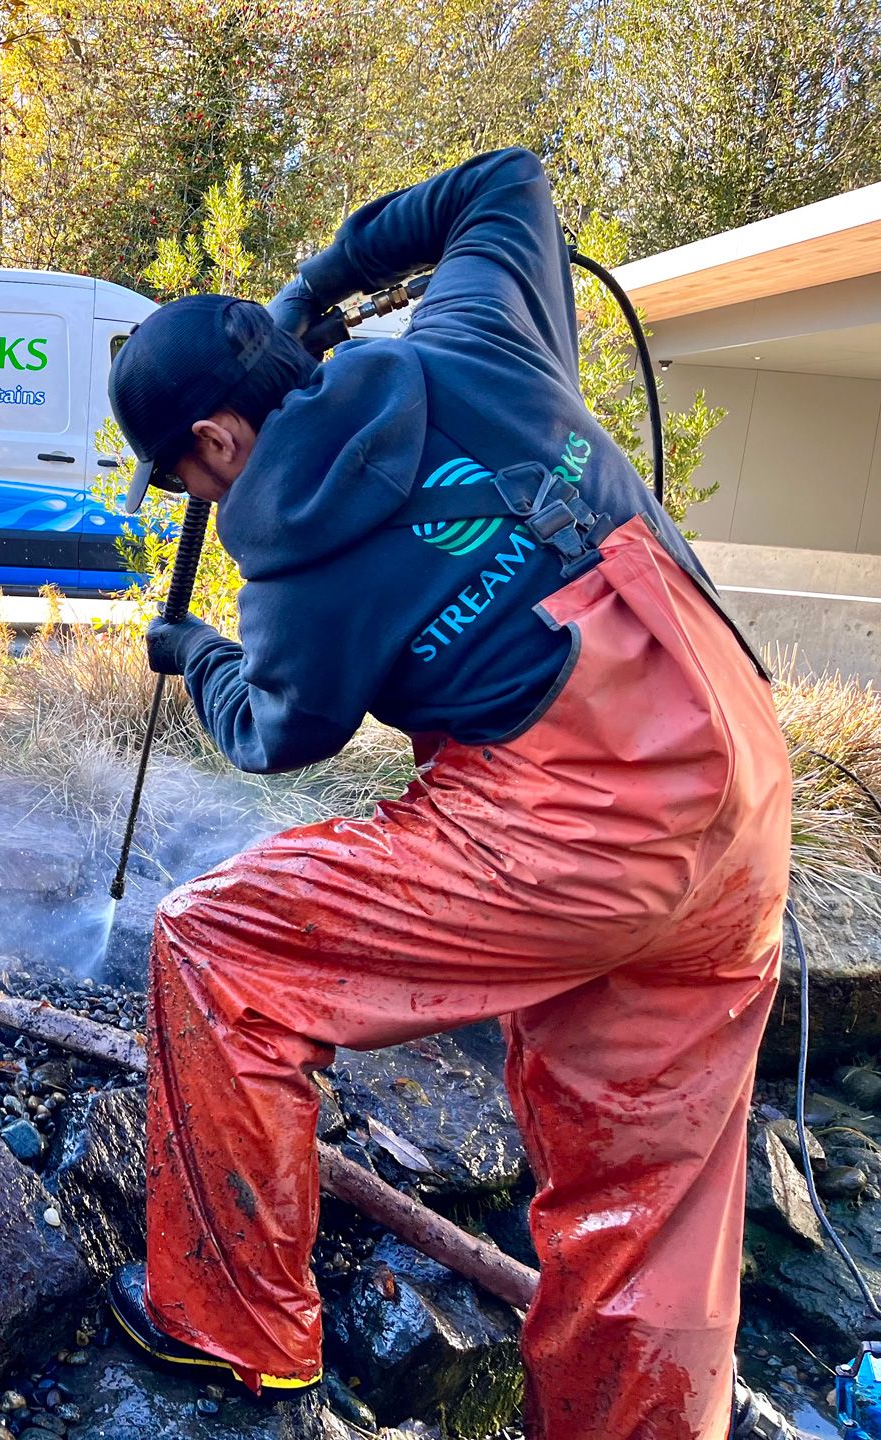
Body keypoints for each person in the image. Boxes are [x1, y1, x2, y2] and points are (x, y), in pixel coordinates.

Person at [103, 147, 792, 1440]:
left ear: (214, 437)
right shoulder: (474, 332)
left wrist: (197, 655)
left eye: (186, 476)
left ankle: (239, 1337)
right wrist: (322, 276)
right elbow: (506, 184)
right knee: (649, 1191)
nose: (198, 497)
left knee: (220, 948)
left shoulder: (291, 577)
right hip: (739, 777)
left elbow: (270, 735)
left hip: (573, 828)